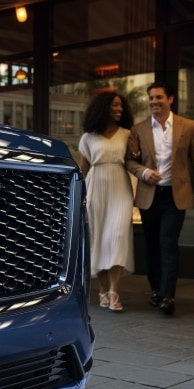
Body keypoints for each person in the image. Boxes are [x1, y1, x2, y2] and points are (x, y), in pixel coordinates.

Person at [125, 82, 194, 316]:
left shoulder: (188, 126)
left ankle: (168, 295)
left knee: (168, 243)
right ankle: (155, 289)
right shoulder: (138, 129)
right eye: (151, 98)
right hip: (149, 197)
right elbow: (130, 161)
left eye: (159, 97)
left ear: (170, 99)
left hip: (175, 196)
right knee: (152, 245)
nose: (154, 102)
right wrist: (143, 172)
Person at [78, 91, 135, 312]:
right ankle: (102, 290)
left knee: (118, 236)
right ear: (103, 108)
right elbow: (83, 169)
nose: (119, 109)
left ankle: (114, 291)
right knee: (98, 238)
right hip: (96, 186)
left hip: (120, 186)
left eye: (121, 105)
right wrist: (77, 195)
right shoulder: (88, 137)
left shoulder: (127, 134)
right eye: (115, 105)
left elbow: (133, 161)